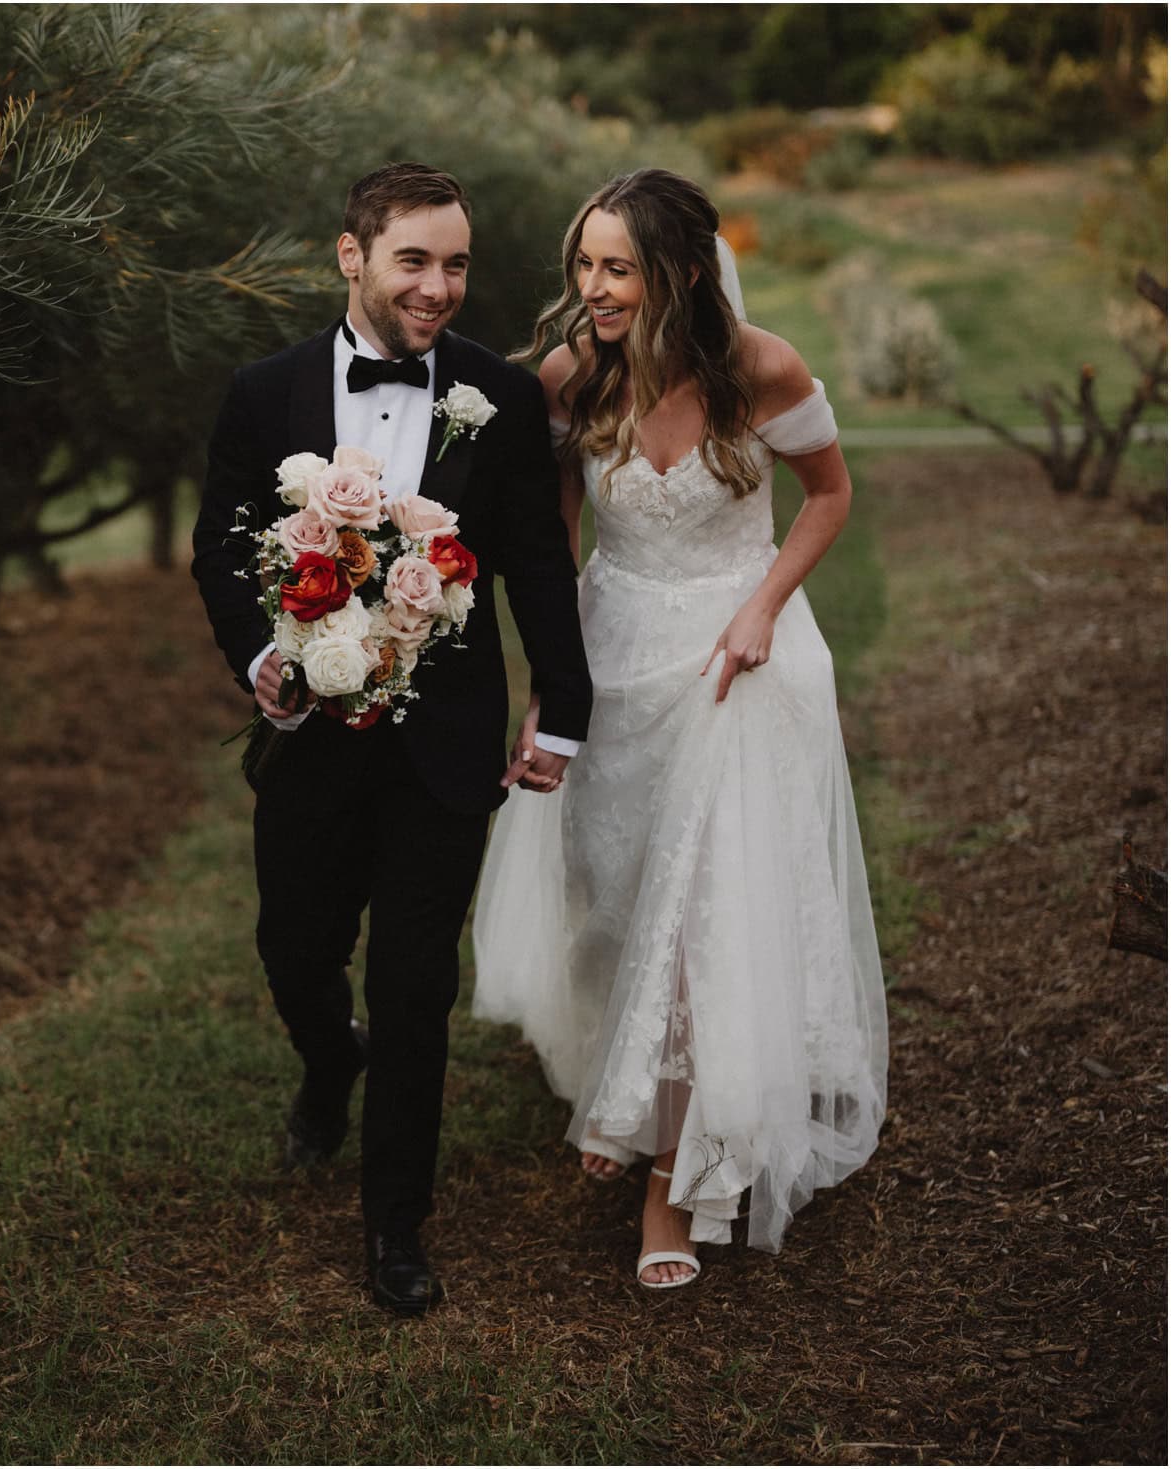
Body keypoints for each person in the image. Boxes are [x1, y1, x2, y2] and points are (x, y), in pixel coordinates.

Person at [471, 168, 888, 1289]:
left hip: (731, 660)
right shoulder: (572, 374)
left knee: (710, 912)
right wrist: (551, 677)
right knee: (614, 893)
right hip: (613, 653)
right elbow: (558, 523)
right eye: (584, 265)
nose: (593, 288)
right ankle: (627, 1075)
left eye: (618, 268)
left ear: (683, 272)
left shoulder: (762, 366)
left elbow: (831, 494)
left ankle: (672, 1178)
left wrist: (762, 607)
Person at [190, 163, 592, 1315]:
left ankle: (395, 1228)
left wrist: (561, 707)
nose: (438, 286)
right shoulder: (262, 393)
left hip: (443, 747)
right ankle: (328, 1060)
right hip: (311, 732)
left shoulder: (499, 402)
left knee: (415, 985)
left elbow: (535, 566)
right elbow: (223, 549)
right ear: (350, 255)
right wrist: (267, 662)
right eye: (414, 259)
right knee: (293, 947)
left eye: (457, 263)